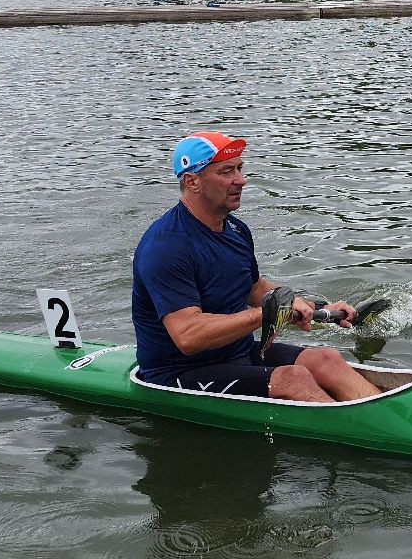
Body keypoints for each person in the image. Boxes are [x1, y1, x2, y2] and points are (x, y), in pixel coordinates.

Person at [131, 130, 377, 403]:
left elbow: (254, 286)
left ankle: (393, 423)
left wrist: (318, 309)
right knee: (294, 378)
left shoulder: (235, 229)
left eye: (239, 168)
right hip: (177, 372)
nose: (241, 180)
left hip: (238, 352)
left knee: (326, 358)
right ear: (193, 182)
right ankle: (376, 440)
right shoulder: (166, 247)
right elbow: (188, 336)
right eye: (226, 172)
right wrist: (268, 314)